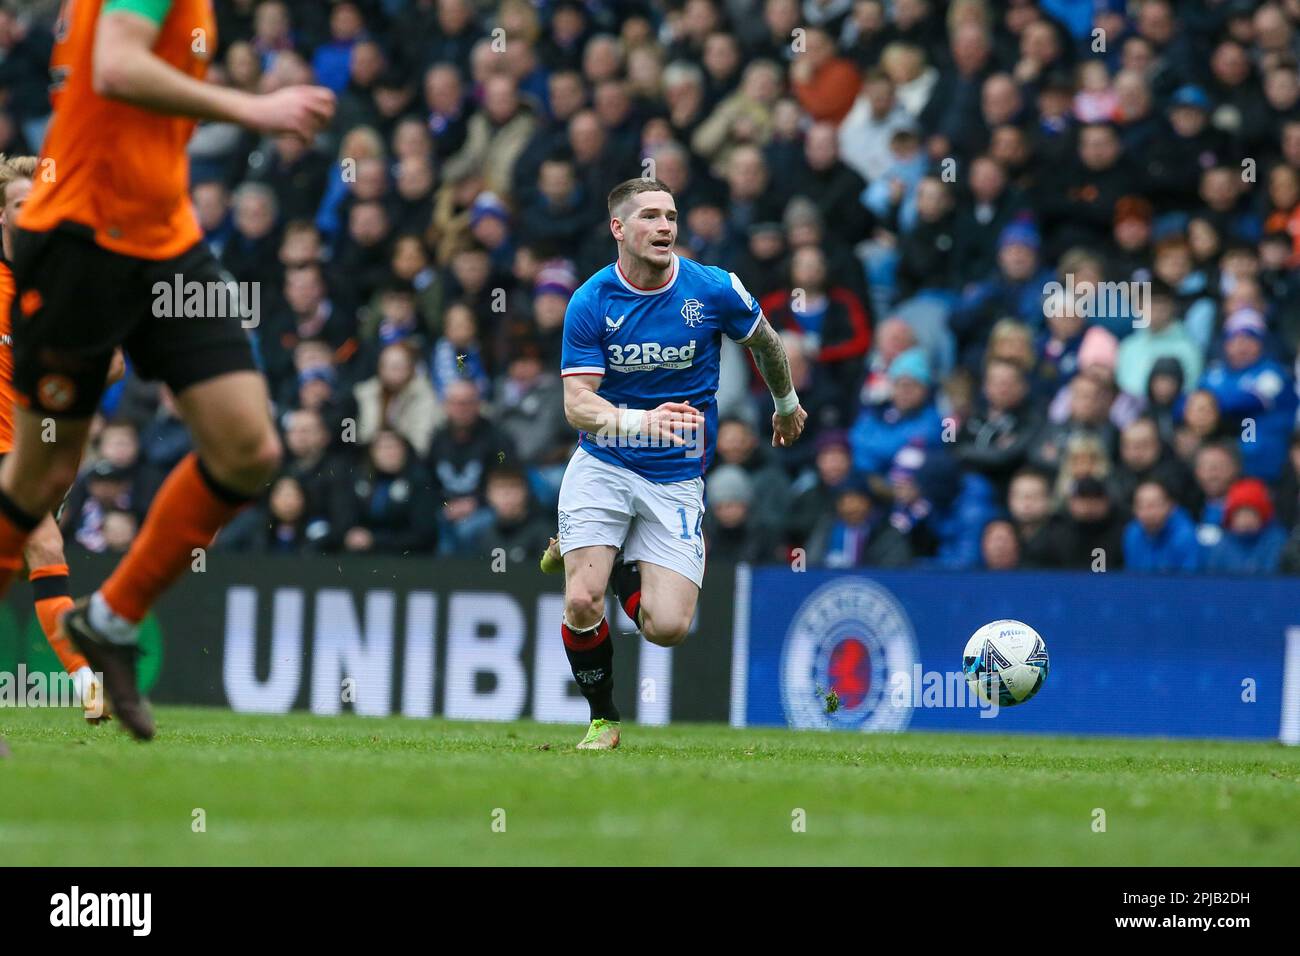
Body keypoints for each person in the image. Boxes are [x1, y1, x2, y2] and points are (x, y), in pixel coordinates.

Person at [0, 0, 335, 740]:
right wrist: (253, 109)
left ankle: (113, 621)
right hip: (84, 236)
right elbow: (116, 68)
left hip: (165, 240)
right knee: (39, 481)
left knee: (249, 450)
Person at [541, 177, 805, 749]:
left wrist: (785, 404)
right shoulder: (591, 301)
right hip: (604, 464)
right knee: (582, 600)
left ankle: (612, 562)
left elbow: (766, 343)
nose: (665, 227)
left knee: (668, 628)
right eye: (650, 217)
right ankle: (604, 721)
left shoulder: (713, 289)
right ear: (619, 229)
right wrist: (640, 422)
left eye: (671, 216)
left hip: (677, 476)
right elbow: (577, 405)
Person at [0, 154, 103, 722]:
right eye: (21, 204)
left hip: (37, 451)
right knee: (44, 546)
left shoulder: (62, 284)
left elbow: (110, 367)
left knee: (33, 556)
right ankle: (90, 688)